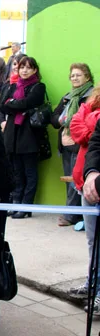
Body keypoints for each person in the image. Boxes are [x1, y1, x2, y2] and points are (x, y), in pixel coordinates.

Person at [0, 56, 46, 218]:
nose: (24, 70)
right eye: (21, 67)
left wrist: (13, 104)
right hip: (13, 134)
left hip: (29, 135)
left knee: (30, 172)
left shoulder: (38, 87)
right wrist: (16, 104)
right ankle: (16, 203)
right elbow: (2, 106)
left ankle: (26, 206)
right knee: (16, 171)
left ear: (34, 70)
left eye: (28, 67)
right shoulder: (13, 86)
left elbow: (30, 102)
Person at [67, 84, 100, 312]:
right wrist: (92, 174)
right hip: (88, 183)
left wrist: (86, 123)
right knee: (93, 241)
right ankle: (93, 284)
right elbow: (78, 130)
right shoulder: (89, 105)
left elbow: (84, 129)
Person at [51, 63, 94, 227]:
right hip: (66, 144)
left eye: (78, 75)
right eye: (72, 75)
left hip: (80, 143)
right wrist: (62, 120)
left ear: (87, 77)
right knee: (70, 180)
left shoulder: (90, 97)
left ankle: (72, 215)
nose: (75, 78)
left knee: (77, 180)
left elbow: (88, 120)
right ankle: (75, 214)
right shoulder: (68, 96)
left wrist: (73, 124)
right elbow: (55, 118)